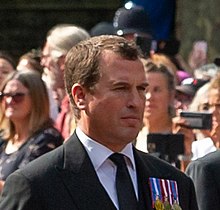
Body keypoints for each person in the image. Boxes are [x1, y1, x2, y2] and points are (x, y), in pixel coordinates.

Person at [0, 35, 198, 210]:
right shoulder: (36, 185)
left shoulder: (173, 182)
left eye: (141, 89)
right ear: (80, 96)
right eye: (121, 88)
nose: (136, 102)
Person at [0, 70, 63, 192]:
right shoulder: (3, 138)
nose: (9, 101)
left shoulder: (47, 139)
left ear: (36, 98)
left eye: (17, 96)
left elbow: (26, 187)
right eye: (5, 96)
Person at [135, 61, 194, 169]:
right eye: (144, 89)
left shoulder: (183, 133)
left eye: (157, 90)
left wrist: (185, 154)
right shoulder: (130, 136)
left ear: (171, 95)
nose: (149, 96)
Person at [41, 24, 90, 140]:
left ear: (63, 61)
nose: (42, 63)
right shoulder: (67, 104)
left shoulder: (86, 105)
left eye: (46, 57)